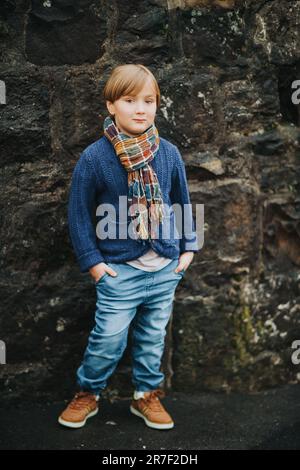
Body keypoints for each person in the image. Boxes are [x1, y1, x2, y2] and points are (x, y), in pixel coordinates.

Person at [58, 63, 199, 430]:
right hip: (119, 271)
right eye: (130, 100)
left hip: (165, 267)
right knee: (108, 338)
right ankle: (88, 393)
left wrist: (187, 251)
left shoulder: (167, 153)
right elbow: (78, 215)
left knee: (153, 338)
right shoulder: (95, 158)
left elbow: (181, 202)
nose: (141, 109)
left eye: (149, 101)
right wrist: (94, 264)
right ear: (111, 106)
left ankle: (146, 395)